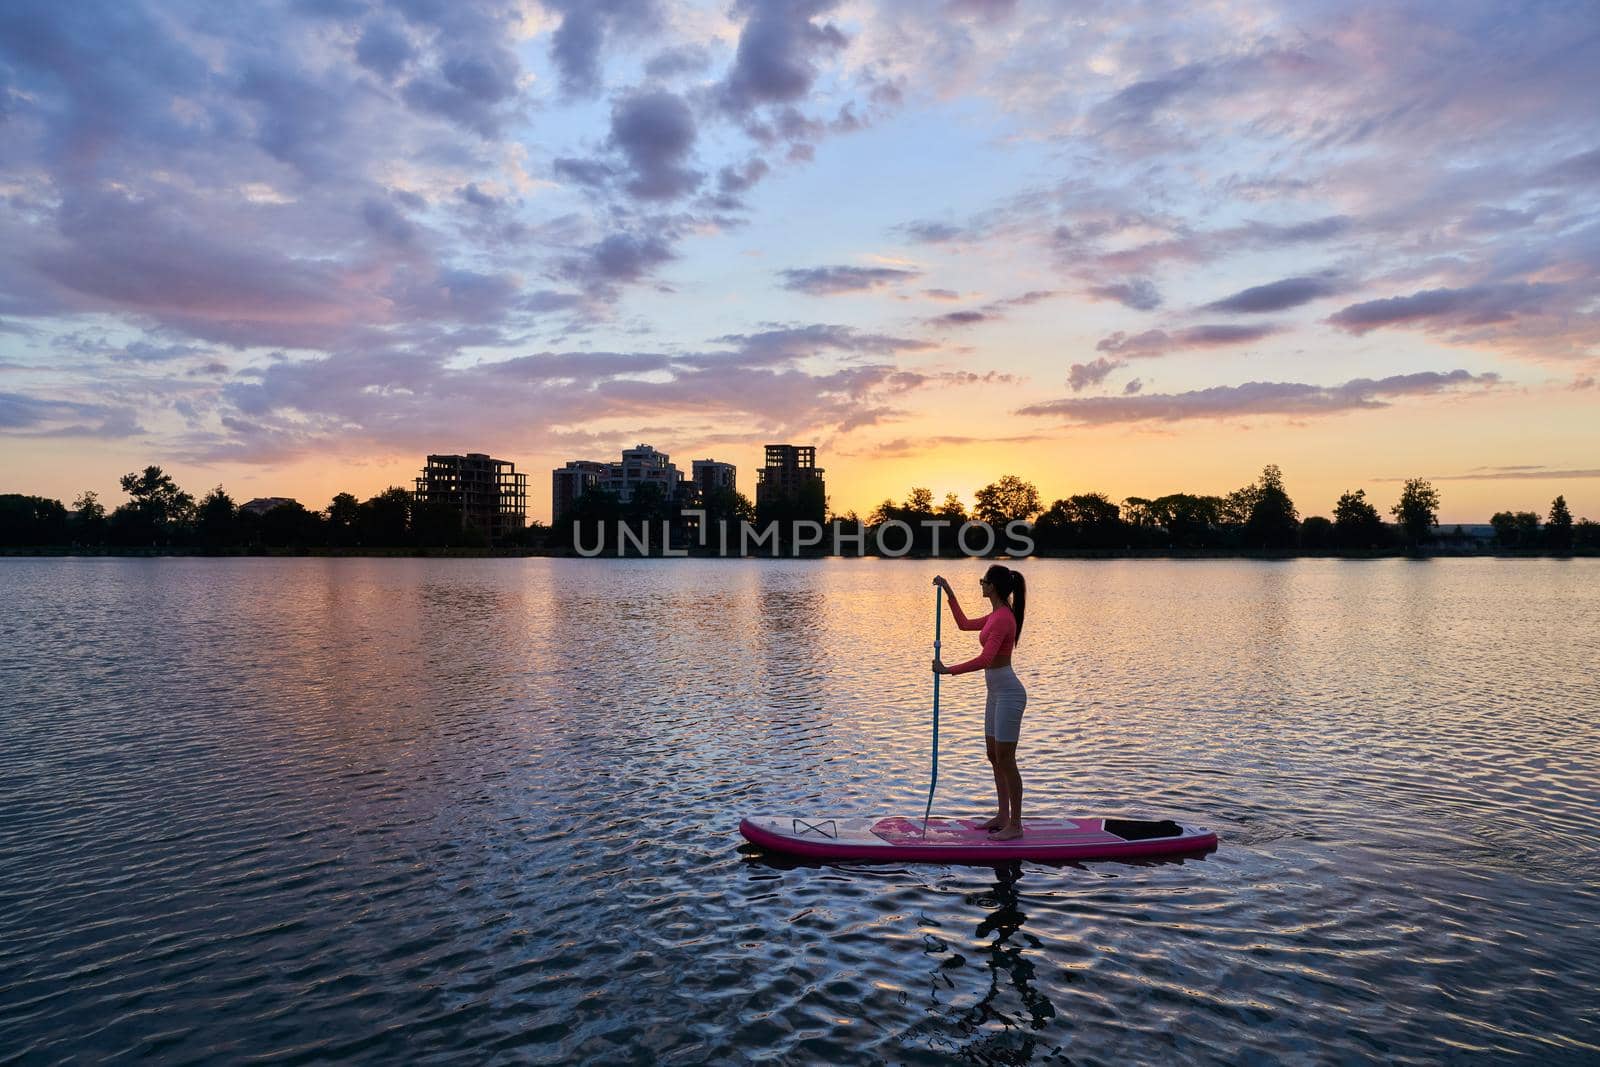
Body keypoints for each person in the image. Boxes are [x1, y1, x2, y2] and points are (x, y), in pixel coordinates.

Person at [932, 565, 1029, 840]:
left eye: (983, 581)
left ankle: (1016, 826)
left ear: (993, 587)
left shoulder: (1002, 619)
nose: (981, 585)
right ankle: (1002, 815)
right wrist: (949, 591)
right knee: (993, 755)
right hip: (995, 693)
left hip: (1009, 694)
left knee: (1006, 759)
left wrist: (947, 669)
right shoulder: (996, 615)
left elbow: (986, 659)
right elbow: (963, 623)